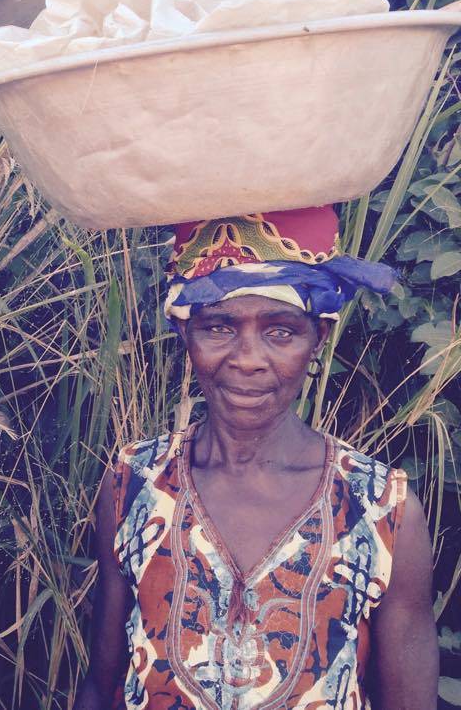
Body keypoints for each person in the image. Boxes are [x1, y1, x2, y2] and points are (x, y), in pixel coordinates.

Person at [75, 207, 438, 710]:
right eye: (220, 328)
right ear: (186, 334)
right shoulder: (135, 482)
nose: (247, 358)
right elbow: (101, 685)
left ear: (318, 338)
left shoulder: (380, 510)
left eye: (281, 332)